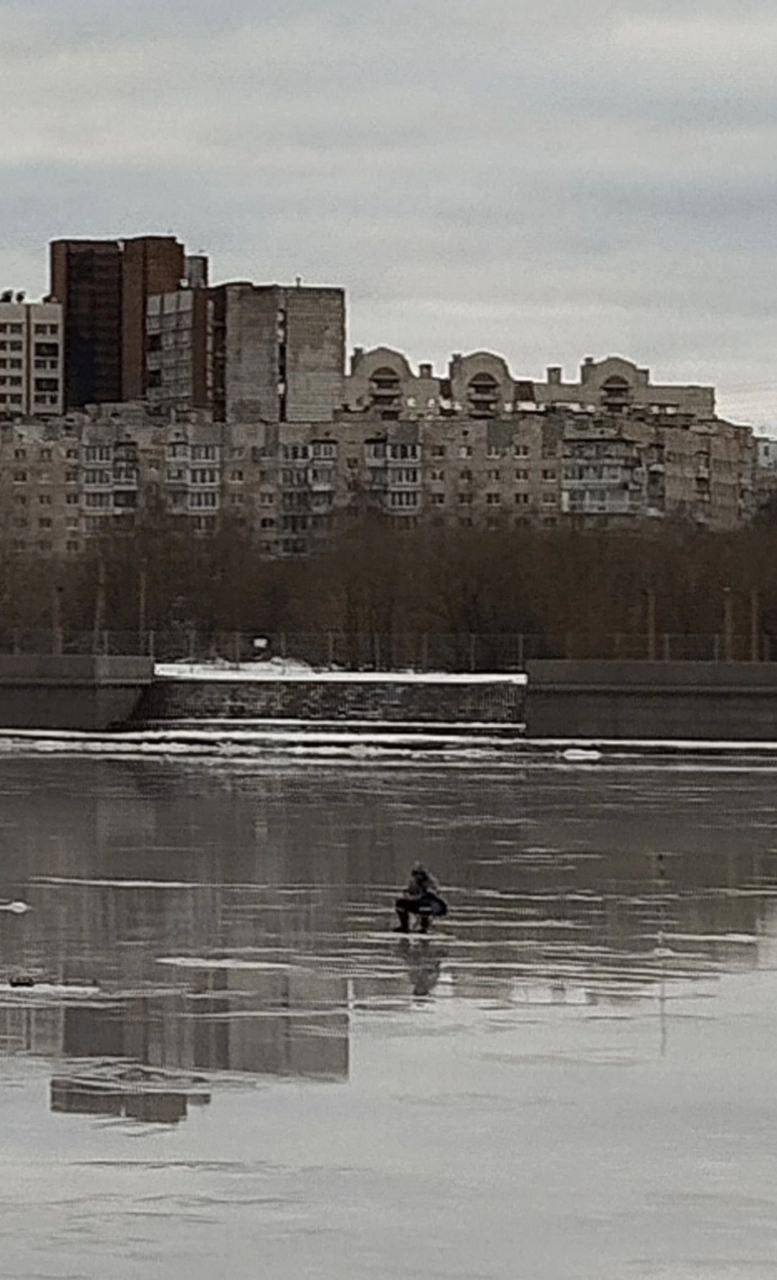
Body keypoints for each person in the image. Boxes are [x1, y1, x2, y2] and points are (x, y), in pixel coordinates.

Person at [394, 862, 448, 933]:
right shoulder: (413, 882)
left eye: (418, 874)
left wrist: (422, 894)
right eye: (414, 874)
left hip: (432, 904)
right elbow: (409, 893)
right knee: (400, 903)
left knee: (425, 908)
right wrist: (408, 895)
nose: (416, 876)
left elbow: (433, 894)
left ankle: (424, 927)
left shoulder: (430, 882)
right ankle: (404, 926)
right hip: (417, 903)